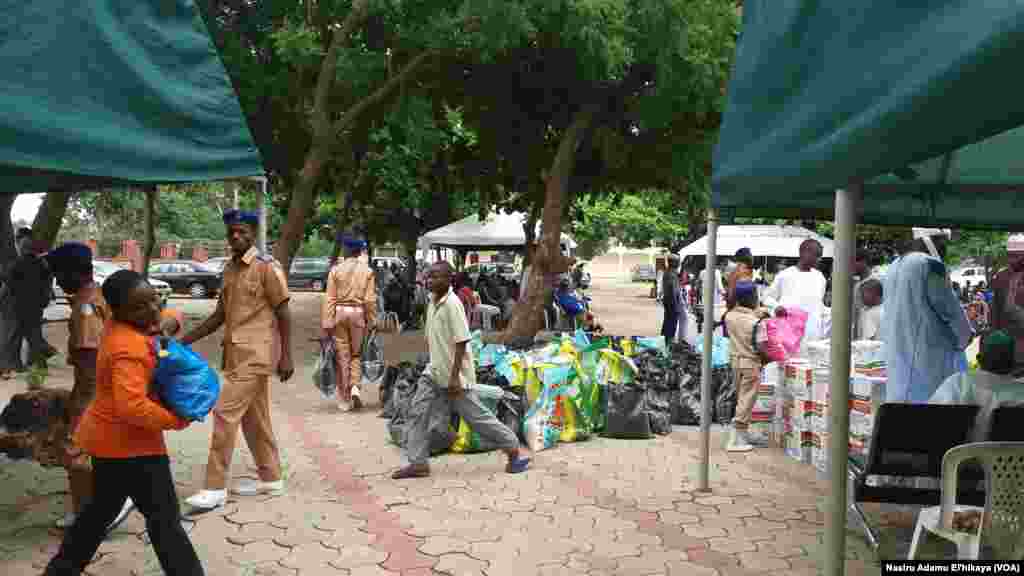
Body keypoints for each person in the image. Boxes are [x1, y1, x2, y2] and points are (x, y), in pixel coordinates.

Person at [43, 270, 203, 576]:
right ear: (118, 311)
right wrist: (176, 420)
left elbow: (167, 315)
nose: (152, 310)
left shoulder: (125, 324)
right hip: (131, 447)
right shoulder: (126, 350)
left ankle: (59, 571)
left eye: (153, 301)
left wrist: (166, 323)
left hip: (110, 442)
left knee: (97, 516)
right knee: (164, 521)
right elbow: (132, 407)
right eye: (140, 307)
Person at [182, 210, 293, 510]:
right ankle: (271, 478)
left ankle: (215, 487)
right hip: (235, 354)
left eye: (242, 232)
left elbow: (283, 312)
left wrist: (286, 356)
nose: (235, 237)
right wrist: (183, 341)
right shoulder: (229, 270)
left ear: (253, 234)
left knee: (224, 413)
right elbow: (219, 315)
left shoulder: (266, 267)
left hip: (257, 354)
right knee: (254, 418)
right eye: (231, 232)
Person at [392, 262, 531, 479]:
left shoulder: (452, 304)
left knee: (477, 418)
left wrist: (455, 377)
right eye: (428, 276)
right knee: (417, 413)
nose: (429, 280)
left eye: (436, 277)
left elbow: (461, 342)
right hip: (434, 372)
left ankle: (513, 450)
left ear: (449, 279)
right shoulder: (432, 302)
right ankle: (418, 463)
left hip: (454, 376)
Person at [41, 243, 134, 531]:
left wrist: (85, 402)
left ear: (75, 272)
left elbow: (91, 359)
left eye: (59, 273)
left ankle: (109, 507)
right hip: (99, 388)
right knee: (89, 450)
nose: (57, 280)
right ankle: (84, 509)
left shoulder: (85, 308)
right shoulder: (96, 296)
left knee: (75, 448)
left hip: (93, 389)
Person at [882, 228, 972, 403]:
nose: (944, 248)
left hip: (899, 352)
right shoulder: (931, 265)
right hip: (928, 356)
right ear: (928, 240)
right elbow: (948, 308)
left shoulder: (893, 266)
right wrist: (965, 335)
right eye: (941, 242)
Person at [930, 330, 1024, 441]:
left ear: (979, 359)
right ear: (1013, 363)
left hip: (960, 457)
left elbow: (930, 422)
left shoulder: (958, 383)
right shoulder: (1020, 391)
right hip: (1013, 457)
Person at [321, 236, 377, 412]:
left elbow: (330, 299)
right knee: (356, 354)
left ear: (345, 250)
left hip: (339, 314)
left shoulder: (335, 271)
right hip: (358, 314)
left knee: (342, 356)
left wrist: (327, 323)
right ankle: (355, 387)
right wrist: (372, 320)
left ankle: (345, 399)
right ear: (360, 252)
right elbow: (369, 300)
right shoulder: (368, 272)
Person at [723, 281, 771, 452]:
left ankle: (740, 435)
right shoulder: (757, 324)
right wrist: (770, 359)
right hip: (751, 363)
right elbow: (763, 348)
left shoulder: (729, 317)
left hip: (735, 361)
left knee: (741, 399)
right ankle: (736, 441)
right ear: (753, 298)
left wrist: (759, 313)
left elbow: (744, 316)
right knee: (747, 400)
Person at [760, 239, 828, 347]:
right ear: (803, 253)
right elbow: (766, 297)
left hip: (813, 334)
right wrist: (777, 307)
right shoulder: (785, 275)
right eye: (817, 255)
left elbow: (819, 304)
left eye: (820, 256)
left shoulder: (820, 277)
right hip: (789, 334)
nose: (819, 259)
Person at [6, 227, 56, 370]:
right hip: (37, 304)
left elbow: (10, 282)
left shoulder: (17, 264)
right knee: (33, 332)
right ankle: (38, 361)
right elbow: (47, 280)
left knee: (25, 333)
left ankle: (39, 357)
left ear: (22, 248)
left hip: (21, 304)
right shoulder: (41, 264)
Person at [661, 255, 682, 341]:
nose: (679, 263)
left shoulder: (670, 272)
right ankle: (668, 342)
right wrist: (676, 305)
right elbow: (672, 291)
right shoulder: (671, 274)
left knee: (668, 322)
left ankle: (665, 340)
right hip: (671, 302)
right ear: (673, 262)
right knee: (671, 324)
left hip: (669, 301)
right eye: (677, 262)